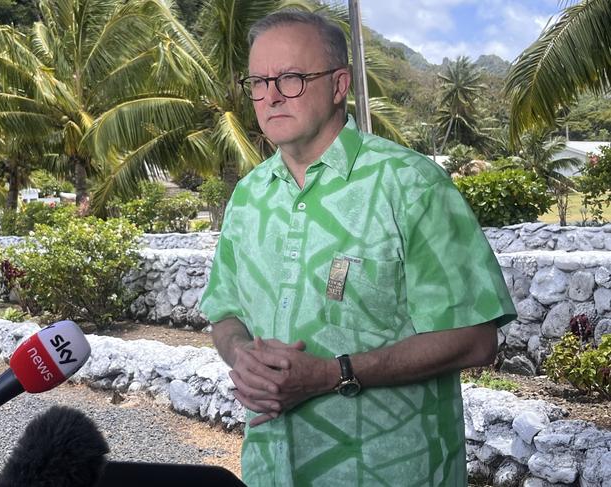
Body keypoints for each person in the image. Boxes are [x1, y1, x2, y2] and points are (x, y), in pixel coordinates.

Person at [199, 10, 516, 487]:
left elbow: (475, 337)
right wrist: (242, 354)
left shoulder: (410, 184)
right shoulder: (248, 195)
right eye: (259, 81)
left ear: (339, 83)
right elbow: (223, 312)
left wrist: (333, 373)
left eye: (291, 78)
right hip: (271, 469)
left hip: (390, 472)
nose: (272, 96)